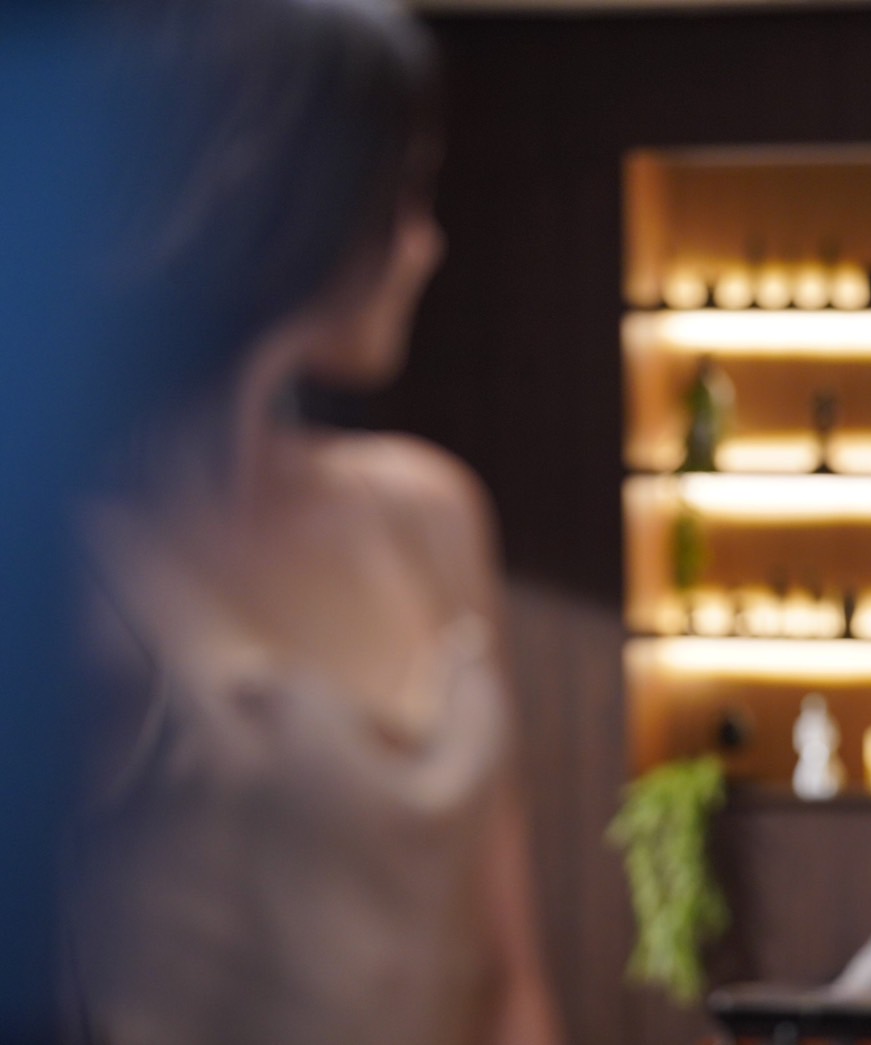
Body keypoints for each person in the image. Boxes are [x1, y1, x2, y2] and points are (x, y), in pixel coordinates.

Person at [56, 2, 564, 1042]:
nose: (426, 246)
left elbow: (510, 980)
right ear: (288, 195)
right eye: (398, 194)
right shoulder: (73, 560)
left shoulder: (428, 512)